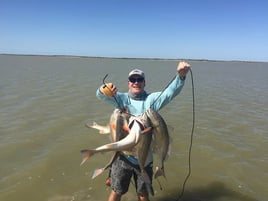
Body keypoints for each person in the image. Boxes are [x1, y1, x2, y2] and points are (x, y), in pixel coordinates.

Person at [96, 61, 190, 201]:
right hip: (122, 157)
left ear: (144, 83)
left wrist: (181, 77)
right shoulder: (120, 99)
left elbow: (169, 93)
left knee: (143, 194)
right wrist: (104, 89)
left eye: (139, 79)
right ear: (128, 83)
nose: (136, 82)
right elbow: (100, 96)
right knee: (116, 191)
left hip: (146, 158)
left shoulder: (151, 100)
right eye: (133, 80)